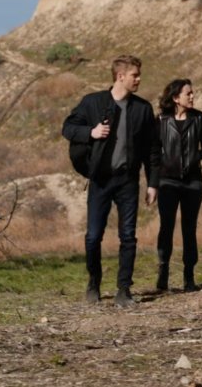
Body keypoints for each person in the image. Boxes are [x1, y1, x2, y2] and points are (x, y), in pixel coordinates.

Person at [62, 55, 157, 307]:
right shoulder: (92, 103)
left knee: (128, 236)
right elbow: (68, 128)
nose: (139, 79)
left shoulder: (143, 109)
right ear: (120, 76)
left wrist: (152, 182)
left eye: (139, 74)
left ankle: (124, 290)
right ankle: (94, 281)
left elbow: (152, 150)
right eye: (135, 75)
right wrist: (90, 133)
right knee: (93, 236)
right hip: (101, 181)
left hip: (128, 180)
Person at [150, 79, 202, 292]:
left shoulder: (199, 118)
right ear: (176, 98)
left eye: (193, 93)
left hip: (193, 182)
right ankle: (163, 273)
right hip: (167, 182)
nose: (192, 97)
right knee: (166, 227)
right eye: (188, 94)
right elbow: (153, 152)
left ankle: (189, 277)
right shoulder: (160, 120)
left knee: (189, 228)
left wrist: (197, 157)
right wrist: (155, 181)